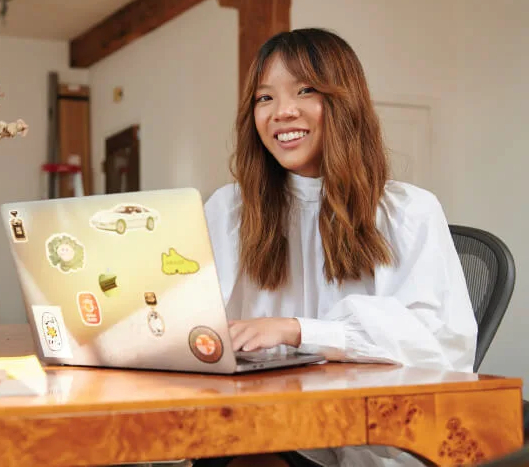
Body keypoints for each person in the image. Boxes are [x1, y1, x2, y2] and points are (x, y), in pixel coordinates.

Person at [195, 28, 478, 467]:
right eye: (264, 98)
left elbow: (437, 345)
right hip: (261, 427)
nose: (282, 112)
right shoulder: (230, 209)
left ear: (344, 101)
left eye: (305, 90)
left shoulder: (409, 211)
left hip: (373, 440)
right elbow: (193, 318)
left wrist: (297, 330)